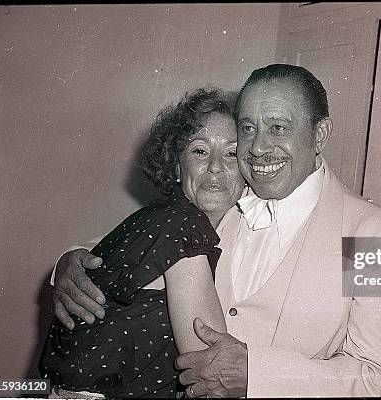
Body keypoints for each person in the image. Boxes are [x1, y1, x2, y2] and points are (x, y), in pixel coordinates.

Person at [52, 64, 381, 397]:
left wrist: (257, 374)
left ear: (319, 134)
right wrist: (68, 264)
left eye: (278, 127)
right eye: (248, 128)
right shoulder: (227, 194)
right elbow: (150, 240)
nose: (257, 148)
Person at [41, 88, 245, 398]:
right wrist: (67, 261)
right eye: (200, 151)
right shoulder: (182, 225)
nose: (215, 166)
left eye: (231, 153)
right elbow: (208, 371)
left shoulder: (165, 218)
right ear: (177, 167)